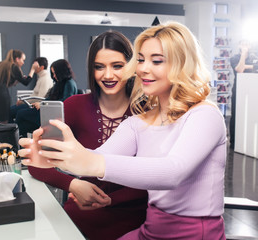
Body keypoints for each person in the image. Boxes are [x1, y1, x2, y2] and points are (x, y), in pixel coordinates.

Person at [19, 21, 227, 239]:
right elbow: (97, 158)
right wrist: (55, 158)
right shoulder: (137, 123)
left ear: (182, 64)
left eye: (156, 61)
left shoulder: (205, 115)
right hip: (152, 228)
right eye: (141, 60)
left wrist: (86, 161)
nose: (143, 68)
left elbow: (173, 172)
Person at [28, 31, 147, 240]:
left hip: (135, 224)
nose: (108, 75)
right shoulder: (74, 106)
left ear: (131, 66)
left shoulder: (147, 111)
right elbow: (36, 163)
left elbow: (160, 177)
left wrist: (112, 200)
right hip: (79, 222)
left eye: (117, 66)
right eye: (99, 67)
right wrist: (73, 184)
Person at [15, 59, 77, 137]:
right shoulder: (60, 83)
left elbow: (66, 101)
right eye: (53, 73)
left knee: (20, 114)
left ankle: (16, 140)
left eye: (55, 73)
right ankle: (18, 141)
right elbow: (51, 98)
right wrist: (41, 103)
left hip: (53, 114)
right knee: (24, 125)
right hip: (49, 110)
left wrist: (42, 105)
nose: (54, 76)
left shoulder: (69, 83)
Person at [0, 49, 34, 124]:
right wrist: (32, 70)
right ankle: (3, 136)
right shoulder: (13, 67)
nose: (23, 63)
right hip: (1, 96)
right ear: (17, 59)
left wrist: (15, 81)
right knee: (4, 121)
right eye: (23, 60)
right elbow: (26, 82)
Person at [229, 40, 257, 149]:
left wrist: (248, 66)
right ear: (239, 45)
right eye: (243, 44)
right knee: (236, 115)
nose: (245, 46)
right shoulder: (234, 58)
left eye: (247, 43)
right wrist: (243, 55)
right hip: (238, 91)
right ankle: (234, 142)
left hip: (252, 91)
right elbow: (240, 69)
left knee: (251, 116)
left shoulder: (254, 57)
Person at [9, 57, 54, 123]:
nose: (33, 66)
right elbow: (35, 95)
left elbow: (40, 98)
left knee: (9, 112)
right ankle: (13, 131)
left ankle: (12, 132)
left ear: (41, 67)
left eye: (35, 65)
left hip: (33, 106)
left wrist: (24, 102)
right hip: (30, 103)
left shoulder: (45, 79)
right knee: (8, 111)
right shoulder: (41, 78)